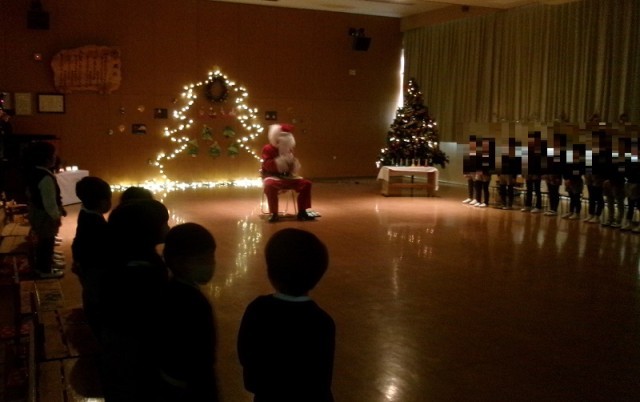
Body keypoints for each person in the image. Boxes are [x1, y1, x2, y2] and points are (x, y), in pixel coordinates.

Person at [238, 228, 335, 402]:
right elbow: (322, 379)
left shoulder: (258, 310)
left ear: (270, 273)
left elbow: (247, 358)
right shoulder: (322, 322)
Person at [100, 198, 170, 401]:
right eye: (163, 223)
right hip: (136, 355)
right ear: (147, 231)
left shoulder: (124, 260)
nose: (168, 227)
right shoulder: (140, 273)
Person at [157, 223, 220, 402]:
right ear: (179, 262)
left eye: (211, 258)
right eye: (201, 260)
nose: (210, 265)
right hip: (190, 387)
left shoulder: (168, 290)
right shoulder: (194, 302)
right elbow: (201, 355)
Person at [71, 176, 112, 336]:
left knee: (90, 293)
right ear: (103, 201)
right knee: (95, 298)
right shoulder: (96, 223)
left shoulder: (85, 213)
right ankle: (96, 330)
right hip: (94, 268)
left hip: (86, 265)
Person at [24, 141, 66, 278]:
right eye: (53, 155)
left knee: (44, 240)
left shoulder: (35, 172)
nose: (55, 157)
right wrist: (56, 216)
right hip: (44, 215)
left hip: (37, 212)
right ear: (46, 158)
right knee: (46, 242)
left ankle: (46, 264)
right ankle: (45, 270)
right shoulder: (45, 177)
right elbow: (49, 202)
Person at [261, 123, 315, 222]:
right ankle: (274, 213)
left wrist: (293, 164)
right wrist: (280, 162)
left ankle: (302, 212)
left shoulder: (289, 149)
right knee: (269, 185)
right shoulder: (268, 148)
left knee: (306, 184)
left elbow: (292, 166)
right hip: (272, 176)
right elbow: (267, 165)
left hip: (288, 177)